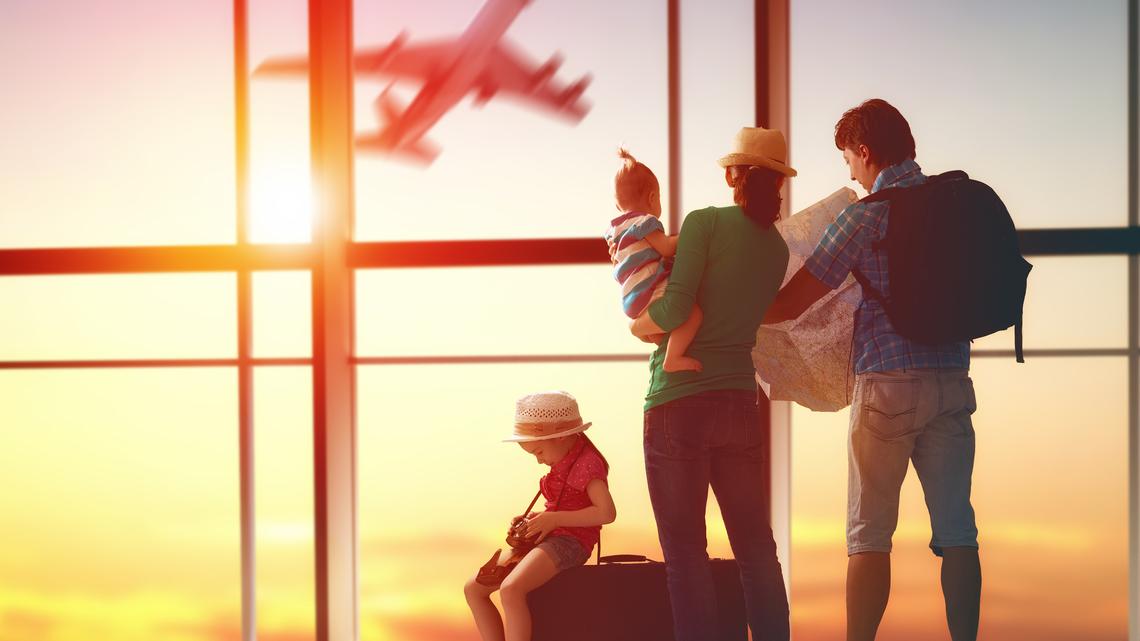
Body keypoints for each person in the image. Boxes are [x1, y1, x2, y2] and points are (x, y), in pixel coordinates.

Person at [763, 98, 981, 641]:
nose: (853, 178)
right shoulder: (952, 206)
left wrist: (734, 311)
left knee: (869, 535)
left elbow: (796, 299)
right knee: (958, 530)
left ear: (865, 152)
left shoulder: (865, 216)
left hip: (885, 386)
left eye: (850, 164)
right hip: (953, 380)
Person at [629, 127, 793, 641]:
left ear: (733, 175)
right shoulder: (776, 251)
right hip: (739, 402)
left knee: (685, 555)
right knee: (755, 549)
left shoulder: (703, 223)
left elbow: (677, 308)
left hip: (679, 403)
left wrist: (638, 325)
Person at [464, 391, 616, 641]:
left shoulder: (587, 463)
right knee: (473, 588)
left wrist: (553, 519)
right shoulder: (562, 460)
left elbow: (606, 513)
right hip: (549, 537)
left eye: (539, 452)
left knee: (512, 590)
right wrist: (538, 518)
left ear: (562, 437)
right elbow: (563, 506)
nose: (538, 461)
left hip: (571, 542)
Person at [606, 148, 703, 372]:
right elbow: (667, 248)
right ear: (652, 198)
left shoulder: (615, 231)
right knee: (694, 314)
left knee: (662, 332)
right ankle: (673, 359)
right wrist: (691, 235)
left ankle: (668, 352)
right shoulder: (644, 222)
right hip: (651, 294)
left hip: (632, 300)